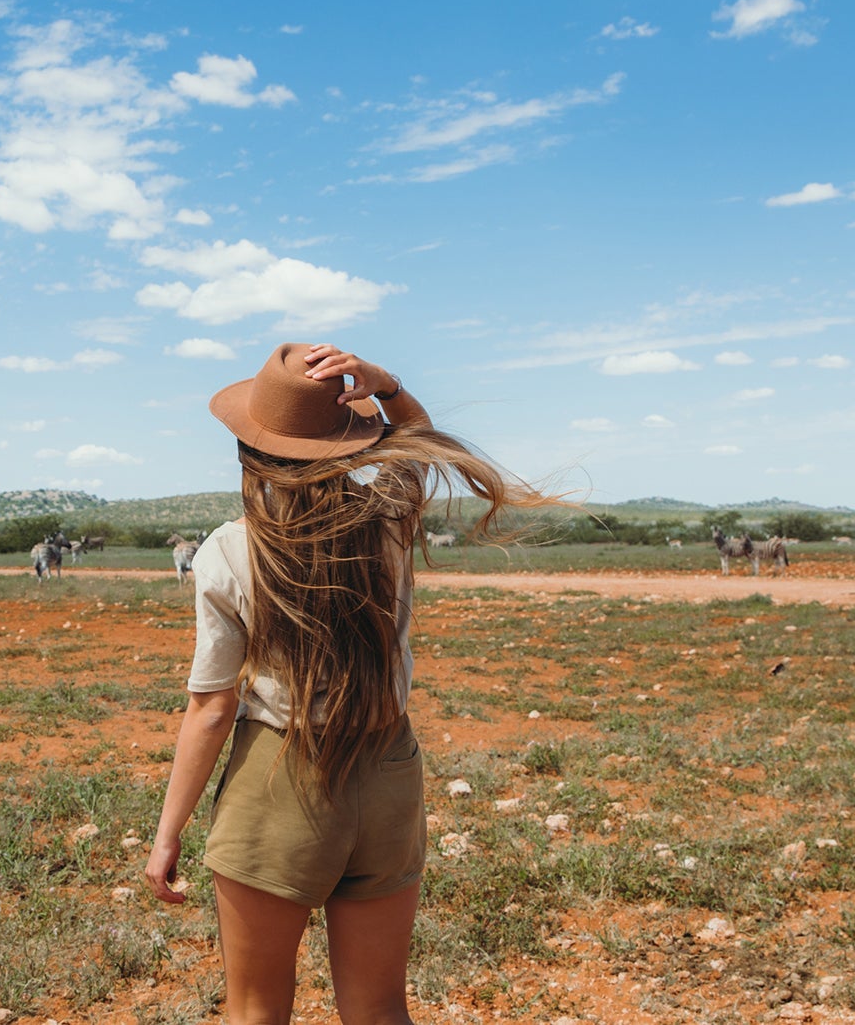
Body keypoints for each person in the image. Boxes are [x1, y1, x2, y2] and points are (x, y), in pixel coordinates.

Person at [146, 342, 559, 1025]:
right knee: (376, 1008)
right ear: (346, 444)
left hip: (278, 781)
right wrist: (390, 385)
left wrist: (168, 833)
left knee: (255, 1008)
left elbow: (213, 708)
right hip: (389, 771)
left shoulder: (228, 549)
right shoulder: (388, 520)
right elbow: (421, 446)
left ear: (252, 451)